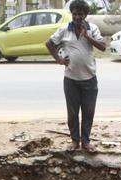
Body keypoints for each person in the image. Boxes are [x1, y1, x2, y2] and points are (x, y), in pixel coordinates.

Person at [45, 0, 106, 153]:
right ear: (72, 14)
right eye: (75, 14)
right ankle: (74, 141)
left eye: (81, 14)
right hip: (71, 79)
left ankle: (86, 142)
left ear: (86, 15)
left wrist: (87, 36)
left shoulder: (93, 28)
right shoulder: (65, 29)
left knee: (88, 112)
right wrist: (58, 59)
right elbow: (49, 43)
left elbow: (103, 47)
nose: (78, 17)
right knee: (72, 113)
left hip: (89, 79)